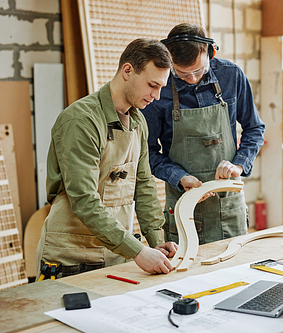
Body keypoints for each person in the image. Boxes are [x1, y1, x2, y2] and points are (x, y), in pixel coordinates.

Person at [36, 38, 178, 279]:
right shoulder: (82, 121)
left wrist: (156, 240)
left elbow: (143, 184)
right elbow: (83, 200)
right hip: (71, 257)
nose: (156, 96)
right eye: (152, 85)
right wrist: (137, 251)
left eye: (161, 87)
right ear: (127, 71)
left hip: (114, 253)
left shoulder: (138, 122)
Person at [141, 23, 265, 245]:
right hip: (184, 204)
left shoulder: (231, 76)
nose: (192, 79)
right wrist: (178, 177)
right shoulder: (160, 88)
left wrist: (238, 164)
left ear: (211, 52)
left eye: (199, 70)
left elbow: (255, 128)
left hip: (228, 204)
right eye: (182, 73)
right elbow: (147, 153)